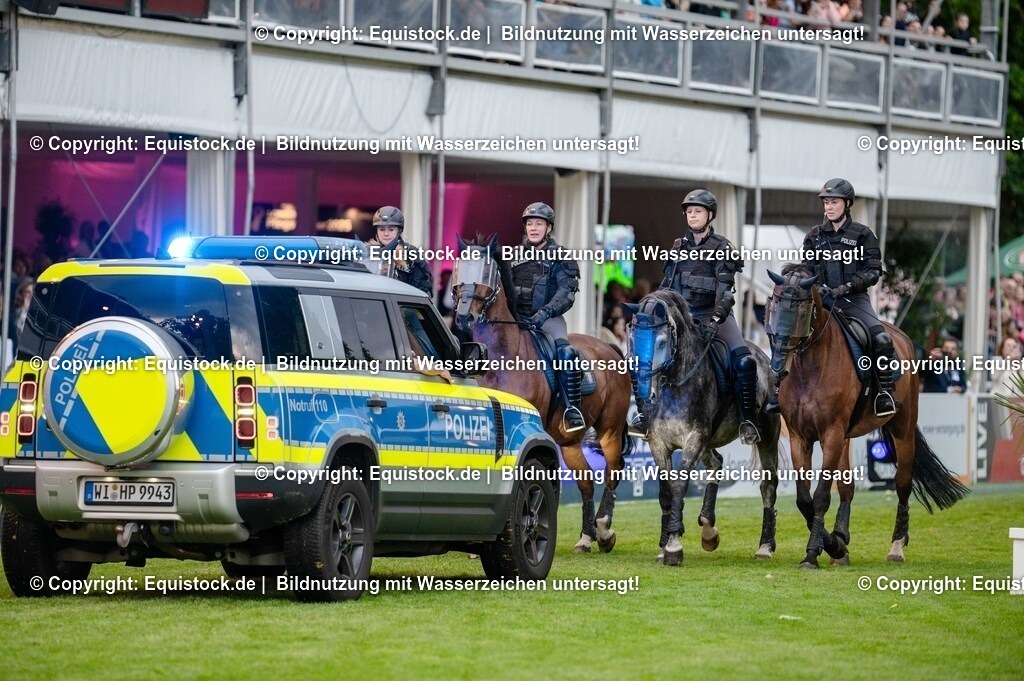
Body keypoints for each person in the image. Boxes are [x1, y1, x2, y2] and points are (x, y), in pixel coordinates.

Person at [631, 189, 761, 445]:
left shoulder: (722, 247)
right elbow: (667, 287)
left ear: (709, 215)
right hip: (682, 320)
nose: (692, 215)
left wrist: (715, 320)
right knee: (645, 358)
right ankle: (645, 417)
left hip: (715, 316)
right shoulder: (678, 247)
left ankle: (747, 421)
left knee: (744, 362)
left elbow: (725, 294)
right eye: (689, 212)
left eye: (697, 211)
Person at [767, 178, 897, 417]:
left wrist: (845, 288)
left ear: (846, 204)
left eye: (833, 202)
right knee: (787, 333)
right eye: (826, 202)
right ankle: (777, 391)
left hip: (854, 301)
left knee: (881, 340)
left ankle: (883, 394)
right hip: (822, 300)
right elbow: (808, 269)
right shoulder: (814, 236)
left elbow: (872, 271)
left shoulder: (863, 234)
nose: (828, 206)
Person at [510, 202, 586, 432]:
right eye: (530, 224)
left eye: (539, 224)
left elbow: (566, 294)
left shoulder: (561, 257)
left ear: (548, 228)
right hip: (517, 321)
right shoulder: (513, 256)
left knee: (566, 354)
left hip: (548, 321)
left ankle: (572, 410)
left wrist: (544, 313)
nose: (533, 228)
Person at [367, 206, 432, 295]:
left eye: (391, 229)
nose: (386, 234)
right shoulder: (368, 253)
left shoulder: (411, 253)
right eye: (382, 229)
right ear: (377, 231)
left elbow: (422, 291)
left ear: (399, 230)